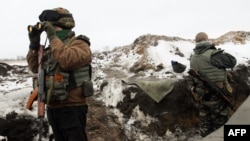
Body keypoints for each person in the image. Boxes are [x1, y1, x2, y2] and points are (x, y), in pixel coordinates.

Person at [26, 7, 93, 141]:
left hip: (72, 107)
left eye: (53, 28)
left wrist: (52, 37)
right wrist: (34, 45)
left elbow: (68, 60)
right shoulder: (52, 49)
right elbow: (34, 68)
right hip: (53, 107)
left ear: (64, 26)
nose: (50, 33)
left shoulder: (80, 44)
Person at [189, 32, 237, 137]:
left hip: (202, 94)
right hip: (217, 93)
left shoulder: (193, 57)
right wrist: (217, 51)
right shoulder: (213, 54)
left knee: (206, 120)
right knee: (220, 120)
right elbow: (232, 62)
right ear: (207, 39)